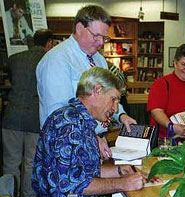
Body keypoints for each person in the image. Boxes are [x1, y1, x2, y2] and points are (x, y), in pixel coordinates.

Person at [36, 5, 136, 160]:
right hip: (66, 145)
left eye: (104, 37)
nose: (101, 42)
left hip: (93, 141)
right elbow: (57, 113)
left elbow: (107, 97)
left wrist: (122, 116)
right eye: (96, 36)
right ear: (79, 27)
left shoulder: (98, 59)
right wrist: (94, 139)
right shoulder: (57, 60)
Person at [32, 67, 147, 197]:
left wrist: (121, 170)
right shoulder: (69, 124)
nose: (115, 109)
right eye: (113, 99)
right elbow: (70, 185)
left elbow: (82, 172)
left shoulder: (78, 120)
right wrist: (122, 183)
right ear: (97, 90)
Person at [2, 29, 53, 197]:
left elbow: (7, 81)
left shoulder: (14, 59)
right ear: (49, 43)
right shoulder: (49, 61)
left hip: (11, 118)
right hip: (34, 120)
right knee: (31, 164)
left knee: (10, 164)